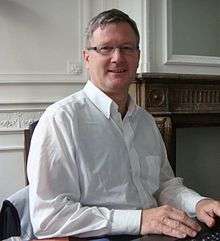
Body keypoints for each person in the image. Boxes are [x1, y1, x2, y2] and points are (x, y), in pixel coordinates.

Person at [27, 8, 220, 240]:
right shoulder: (61, 120)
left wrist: (199, 203)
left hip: (156, 233)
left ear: (137, 56)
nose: (118, 57)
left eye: (127, 48)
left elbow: (164, 187)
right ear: (87, 58)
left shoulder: (146, 121)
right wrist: (140, 220)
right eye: (106, 48)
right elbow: (49, 217)